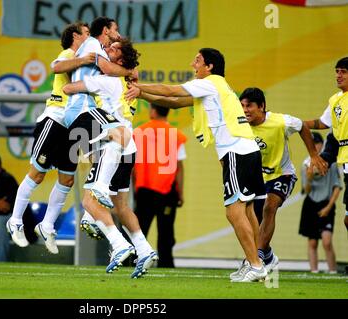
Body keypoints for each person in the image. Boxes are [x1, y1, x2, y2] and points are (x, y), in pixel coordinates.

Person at [125, 48, 268, 282]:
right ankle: (257, 263)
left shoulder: (210, 83)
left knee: (234, 212)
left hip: (236, 152)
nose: (193, 64)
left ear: (209, 66)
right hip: (249, 150)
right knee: (247, 211)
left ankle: (255, 264)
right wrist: (140, 94)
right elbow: (172, 102)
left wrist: (140, 87)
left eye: (198, 60)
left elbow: (171, 90)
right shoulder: (216, 86)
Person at [62, 39, 158, 278]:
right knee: (122, 206)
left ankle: (119, 244)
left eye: (113, 49)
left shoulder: (107, 81)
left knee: (89, 201)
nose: (107, 50)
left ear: (121, 60)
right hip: (129, 146)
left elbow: (69, 89)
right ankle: (144, 249)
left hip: (114, 142)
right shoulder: (129, 82)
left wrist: (72, 75)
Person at [6, 21, 92, 254]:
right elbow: (57, 66)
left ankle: (47, 226)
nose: (90, 38)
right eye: (86, 34)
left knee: (67, 180)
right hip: (54, 120)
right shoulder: (70, 53)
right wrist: (85, 59)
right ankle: (15, 222)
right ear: (75, 36)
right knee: (37, 174)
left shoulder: (90, 59)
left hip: (74, 125)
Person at [238, 87, 328, 273]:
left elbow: (302, 126)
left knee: (270, 207)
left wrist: (313, 155)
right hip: (257, 178)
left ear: (262, 106)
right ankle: (268, 255)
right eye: (242, 106)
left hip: (282, 175)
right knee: (253, 218)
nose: (245, 110)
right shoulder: (239, 124)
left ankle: (258, 257)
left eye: (249, 106)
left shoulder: (280, 122)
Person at [132, 103, 187, 268]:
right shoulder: (176, 135)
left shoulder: (139, 132)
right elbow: (179, 167)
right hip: (167, 191)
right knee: (166, 232)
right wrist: (181, 193)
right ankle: (166, 265)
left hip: (144, 189)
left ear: (153, 111)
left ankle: (133, 262)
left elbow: (133, 165)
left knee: (139, 231)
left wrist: (135, 187)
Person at [304, 57, 348, 234]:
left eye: (343, 72)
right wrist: (297, 124)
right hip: (346, 165)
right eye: (337, 71)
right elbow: (323, 123)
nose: (338, 75)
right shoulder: (335, 100)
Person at [299, 132, 340, 274]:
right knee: (312, 241)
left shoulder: (330, 162)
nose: (315, 146)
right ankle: (314, 271)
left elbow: (337, 186)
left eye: (317, 143)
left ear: (322, 144)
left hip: (327, 203)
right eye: (312, 143)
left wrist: (329, 207)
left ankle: (333, 271)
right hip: (311, 203)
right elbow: (306, 190)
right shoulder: (306, 164)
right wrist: (309, 178)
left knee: (327, 241)